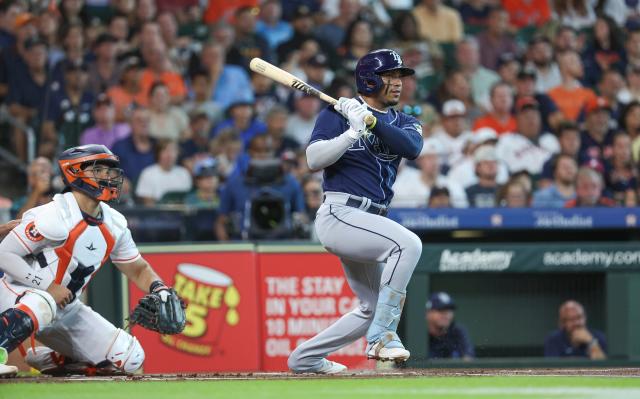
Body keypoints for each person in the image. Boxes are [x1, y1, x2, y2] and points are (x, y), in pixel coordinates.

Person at [287, 49, 424, 374]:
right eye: (390, 76)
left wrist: (370, 121)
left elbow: (412, 149)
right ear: (370, 78)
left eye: (399, 77)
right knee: (408, 244)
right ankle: (382, 336)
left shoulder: (405, 120)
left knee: (371, 307)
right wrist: (351, 132)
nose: (397, 83)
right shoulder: (336, 114)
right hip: (340, 213)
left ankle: (304, 359)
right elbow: (313, 160)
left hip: (371, 221)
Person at [0, 144, 186, 377]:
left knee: (130, 357)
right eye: (99, 170)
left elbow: (137, 269)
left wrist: (159, 288)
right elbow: (4, 255)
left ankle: (55, 358)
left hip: (63, 307)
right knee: (43, 301)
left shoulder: (115, 223)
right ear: (74, 171)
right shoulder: (54, 216)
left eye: (110, 171)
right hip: (15, 292)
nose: (108, 176)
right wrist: (47, 287)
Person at [426, 292, 474, 359]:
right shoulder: (420, 335)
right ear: (428, 313)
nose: (446, 314)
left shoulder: (457, 332)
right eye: (441, 310)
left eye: (449, 310)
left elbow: (468, 359)